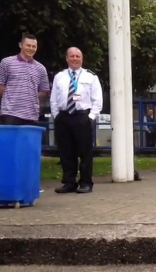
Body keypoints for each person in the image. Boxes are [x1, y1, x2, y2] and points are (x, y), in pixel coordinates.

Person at [50, 47, 103, 194]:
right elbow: (54, 99)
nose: (75, 59)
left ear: (82, 59)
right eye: (72, 56)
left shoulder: (90, 77)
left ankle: (86, 182)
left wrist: (90, 118)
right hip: (64, 117)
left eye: (77, 56)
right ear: (67, 58)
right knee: (66, 151)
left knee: (85, 152)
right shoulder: (59, 77)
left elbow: (97, 100)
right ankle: (69, 182)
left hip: (82, 117)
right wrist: (57, 116)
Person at [0, 33, 50, 125]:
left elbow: (44, 91)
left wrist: (30, 97)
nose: (31, 48)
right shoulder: (6, 63)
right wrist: (12, 96)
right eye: (28, 45)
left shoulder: (41, 68)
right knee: (10, 139)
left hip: (31, 114)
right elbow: (1, 85)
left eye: (34, 46)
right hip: (10, 113)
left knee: (28, 140)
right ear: (20, 45)